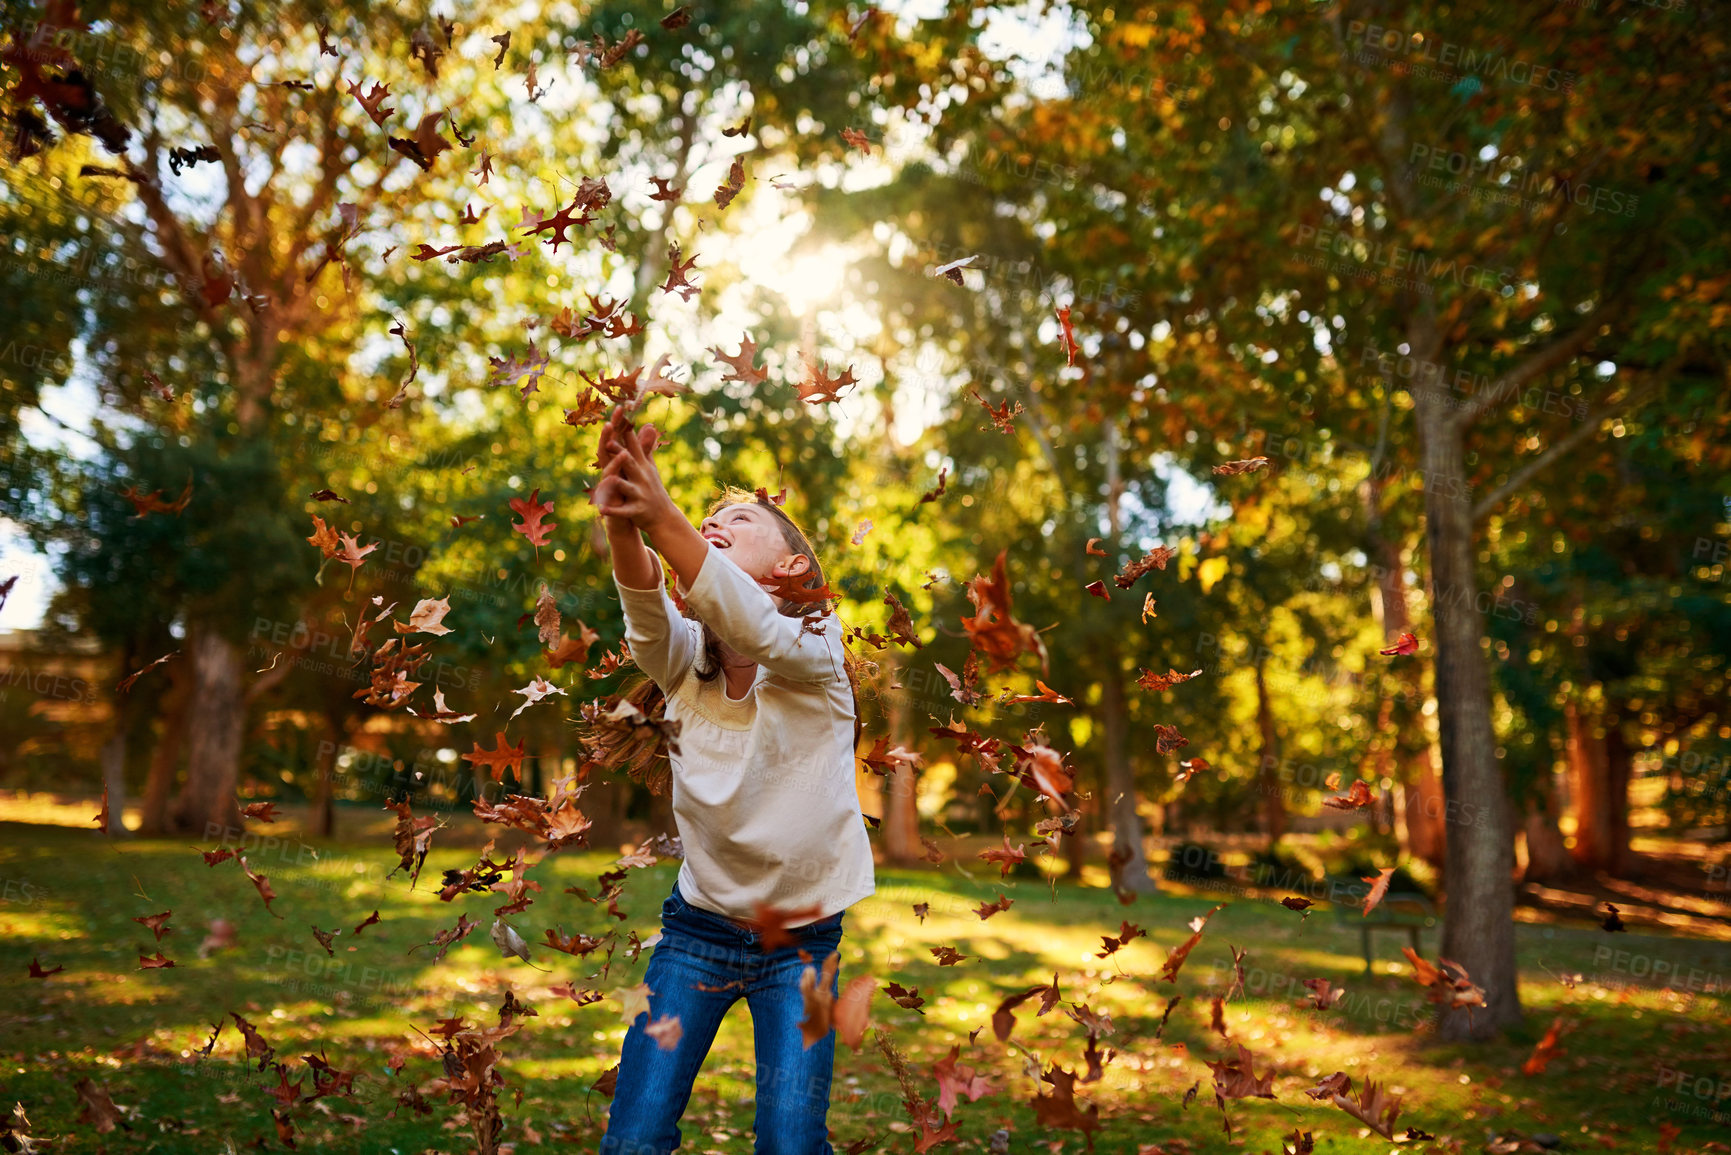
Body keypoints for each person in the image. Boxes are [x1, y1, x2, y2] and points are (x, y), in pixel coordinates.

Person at [589, 403, 876, 1155]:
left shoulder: (815, 647)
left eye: (738, 520)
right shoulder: (687, 662)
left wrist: (668, 517)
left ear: (792, 569)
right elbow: (648, 614)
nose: (715, 525)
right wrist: (627, 521)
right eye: (707, 520)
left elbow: (754, 625)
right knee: (636, 1133)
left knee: (789, 1139)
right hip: (698, 929)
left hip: (804, 943)